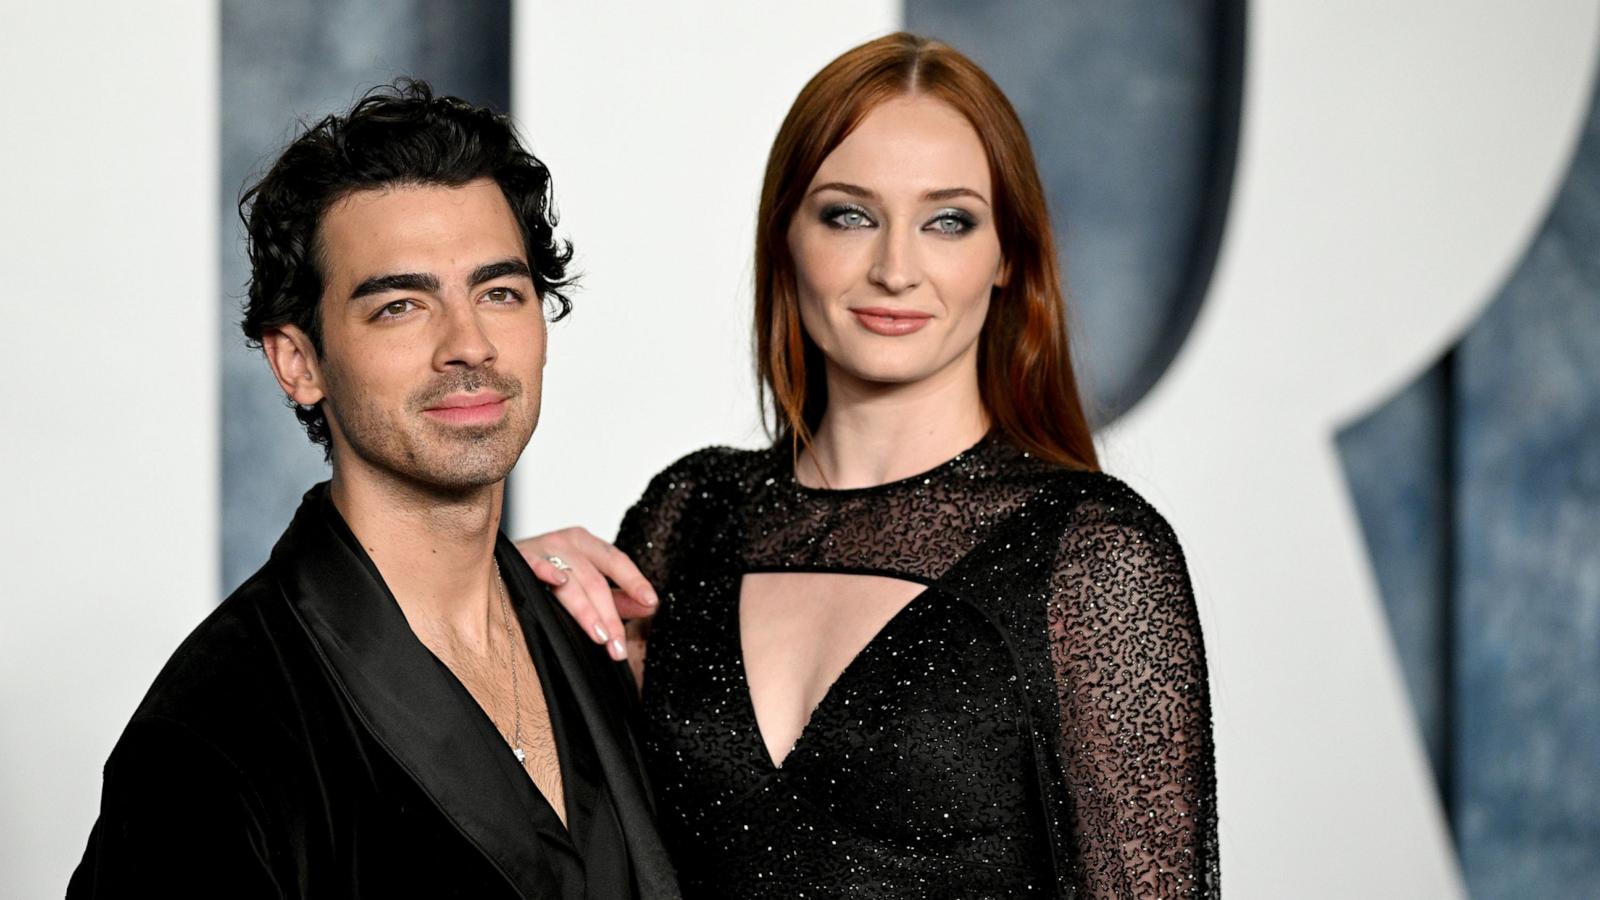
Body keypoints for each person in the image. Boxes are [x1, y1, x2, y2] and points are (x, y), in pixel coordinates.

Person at [521, 33, 1219, 898]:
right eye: (849, 214)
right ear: (786, 238)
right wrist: (506, 614)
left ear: (1008, 257)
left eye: (948, 221)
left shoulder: (1088, 552)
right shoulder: (689, 513)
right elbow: (562, 852)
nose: (895, 268)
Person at [69, 82, 679, 899]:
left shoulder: (588, 644)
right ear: (299, 362)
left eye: (500, 292)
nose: (468, 345)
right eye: (400, 306)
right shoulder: (215, 734)